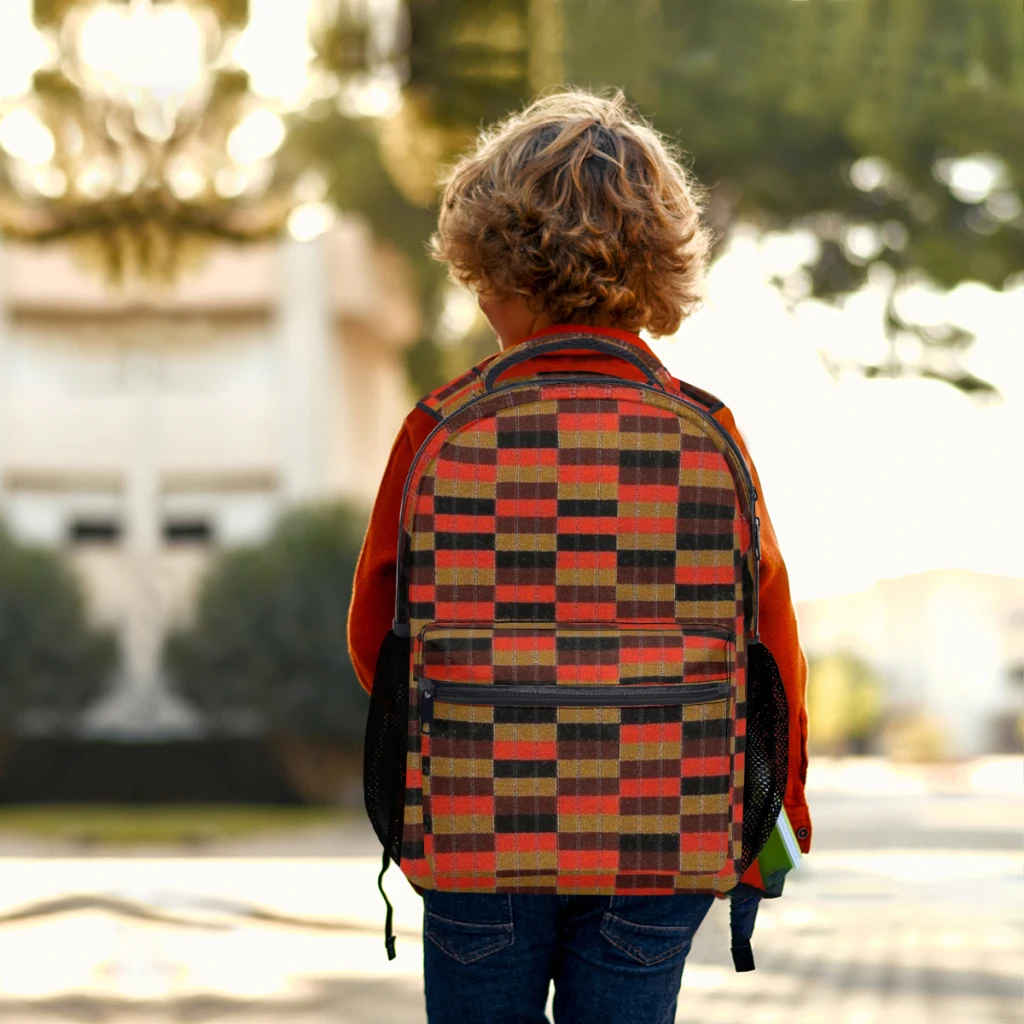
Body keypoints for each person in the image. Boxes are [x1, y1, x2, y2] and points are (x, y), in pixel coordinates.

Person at [349, 88, 810, 1024]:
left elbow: (376, 639)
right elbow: (770, 647)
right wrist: (777, 814)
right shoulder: (708, 429)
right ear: (660, 268)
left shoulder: (440, 426)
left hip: (479, 832)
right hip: (662, 834)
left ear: (493, 268)